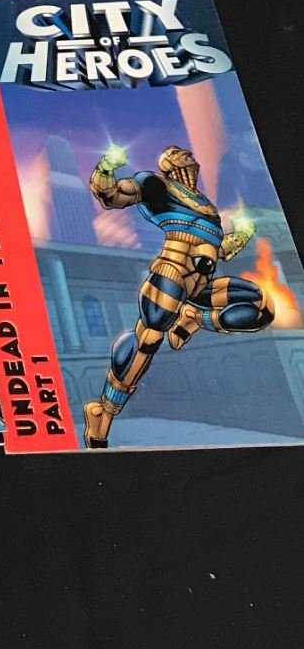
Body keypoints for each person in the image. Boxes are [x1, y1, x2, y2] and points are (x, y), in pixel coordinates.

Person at [83, 144, 269, 449]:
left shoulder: (207, 207)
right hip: (172, 273)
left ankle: (195, 318)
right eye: (180, 153)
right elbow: (112, 195)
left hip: (201, 284)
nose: (190, 157)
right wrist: (106, 167)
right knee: (149, 338)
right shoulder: (156, 185)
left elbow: (217, 248)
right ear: (168, 162)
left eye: (189, 154)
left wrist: (242, 235)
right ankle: (103, 412)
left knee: (260, 306)